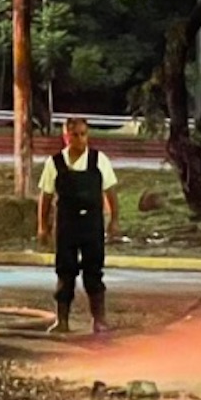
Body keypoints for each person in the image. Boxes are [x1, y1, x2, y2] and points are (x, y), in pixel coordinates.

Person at [37, 117, 120, 332]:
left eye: (84, 134)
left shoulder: (99, 160)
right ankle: (62, 320)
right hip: (66, 225)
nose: (80, 139)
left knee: (94, 272)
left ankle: (99, 320)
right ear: (66, 136)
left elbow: (110, 192)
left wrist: (114, 220)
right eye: (75, 135)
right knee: (65, 272)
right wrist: (43, 226)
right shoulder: (54, 163)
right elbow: (46, 197)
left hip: (92, 225)